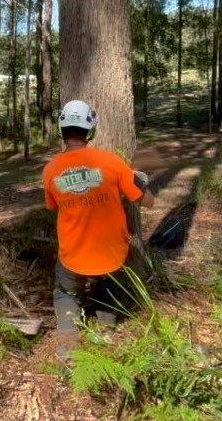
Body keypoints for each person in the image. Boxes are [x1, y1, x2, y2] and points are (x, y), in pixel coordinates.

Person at [42, 100, 154, 360]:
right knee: (118, 280)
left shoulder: (50, 170)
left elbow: (52, 205)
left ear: (62, 129)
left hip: (73, 256)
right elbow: (147, 202)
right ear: (90, 130)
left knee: (65, 293)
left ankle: (67, 348)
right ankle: (106, 329)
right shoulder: (112, 162)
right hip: (112, 255)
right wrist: (142, 182)